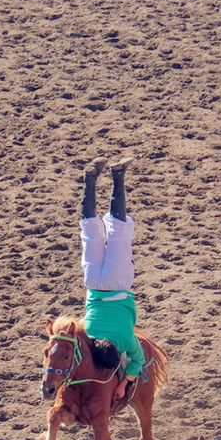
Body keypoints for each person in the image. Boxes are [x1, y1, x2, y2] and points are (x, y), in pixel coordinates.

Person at [78, 155, 144, 400]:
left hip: (117, 284)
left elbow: (139, 360)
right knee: (90, 230)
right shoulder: (87, 335)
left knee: (119, 230)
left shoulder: (126, 340)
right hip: (93, 284)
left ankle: (118, 174)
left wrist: (123, 384)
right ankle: (89, 181)